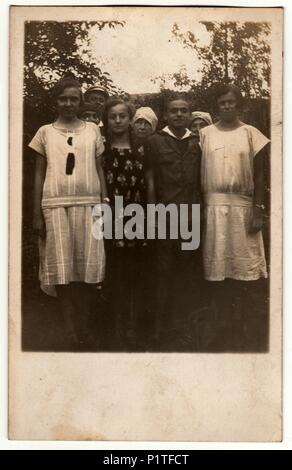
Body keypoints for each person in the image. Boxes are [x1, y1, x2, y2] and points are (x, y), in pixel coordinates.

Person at [29, 76, 108, 348]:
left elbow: (99, 169)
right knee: (61, 269)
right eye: (63, 98)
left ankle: (85, 328)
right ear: (56, 101)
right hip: (55, 205)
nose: (68, 103)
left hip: (89, 205)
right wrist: (36, 213)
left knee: (87, 269)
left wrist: (104, 202)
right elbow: (38, 175)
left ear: (80, 101)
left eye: (74, 98)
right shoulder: (44, 132)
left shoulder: (92, 131)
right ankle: (70, 330)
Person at [200, 83, 270, 349]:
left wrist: (258, 209)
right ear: (216, 106)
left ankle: (246, 328)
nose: (227, 106)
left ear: (239, 105)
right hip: (213, 207)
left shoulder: (252, 134)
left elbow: (261, 173)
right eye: (222, 103)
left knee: (244, 270)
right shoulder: (205, 134)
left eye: (231, 102)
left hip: (243, 207)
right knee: (219, 271)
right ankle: (221, 329)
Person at [144, 95, 202, 345]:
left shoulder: (198, 141)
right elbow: (150, 179)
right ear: (166, 115)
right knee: (162, 272)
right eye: (174, 111)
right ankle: (158, 329)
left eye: (184, 111)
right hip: (165, 217)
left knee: (186, 272)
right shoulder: (155, 142)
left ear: (190, 115)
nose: (179, 115)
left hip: (191, 217)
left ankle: (184, 328)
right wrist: (152, 213)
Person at [102, 98, 150, 345]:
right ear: (106, 120)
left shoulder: (142, 147)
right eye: (113, 116)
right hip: (109, 215)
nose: (118, 120)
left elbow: (150, 181)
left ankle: (133, 329)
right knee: (113, 271)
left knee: (136, 273)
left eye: (123, 116)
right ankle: (114, 329)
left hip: (137, 215)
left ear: (130, 119)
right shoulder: (101, 147)